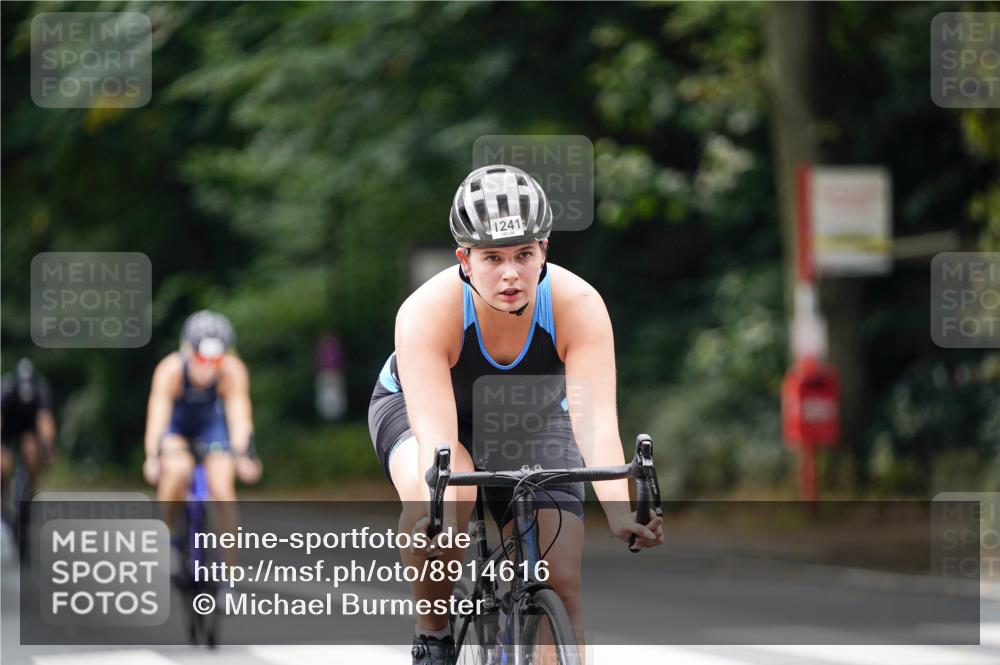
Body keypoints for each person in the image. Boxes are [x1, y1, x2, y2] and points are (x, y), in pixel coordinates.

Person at [368, 164, 664, 665]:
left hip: (536, 417)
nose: (510, 273)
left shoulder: (578, 304)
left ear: (544, 249)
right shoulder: (427, 311)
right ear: (464, 259)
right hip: (428, 411)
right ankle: (433, 633)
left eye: (524, 254)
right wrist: (439, 508)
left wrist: (619, 510)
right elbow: (437, 442)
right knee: (447, 494)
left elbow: (593, 420)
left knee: (561, 580)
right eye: (492, 258)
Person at [142, 311, 261, 551]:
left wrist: (244, 455)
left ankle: (228, 577)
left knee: (222, 487)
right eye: (201, 359)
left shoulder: (233, 371)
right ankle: (165, 536)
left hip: (211, 427)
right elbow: (157, 418)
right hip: (177, 427)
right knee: (177, 469)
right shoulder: (170, 370)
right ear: (188, 351)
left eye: (215, 360)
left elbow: (239, 417)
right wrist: (153, 456)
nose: (207, 368)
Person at [1, 358, 57, 513]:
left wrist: (48, 448)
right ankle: (3, 499)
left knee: (32, 453)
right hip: (7, 428)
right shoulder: (6, 389)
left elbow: (45, 421)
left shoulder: (41, 389)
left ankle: (31, 492)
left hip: (29, 429)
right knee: (3, 465)